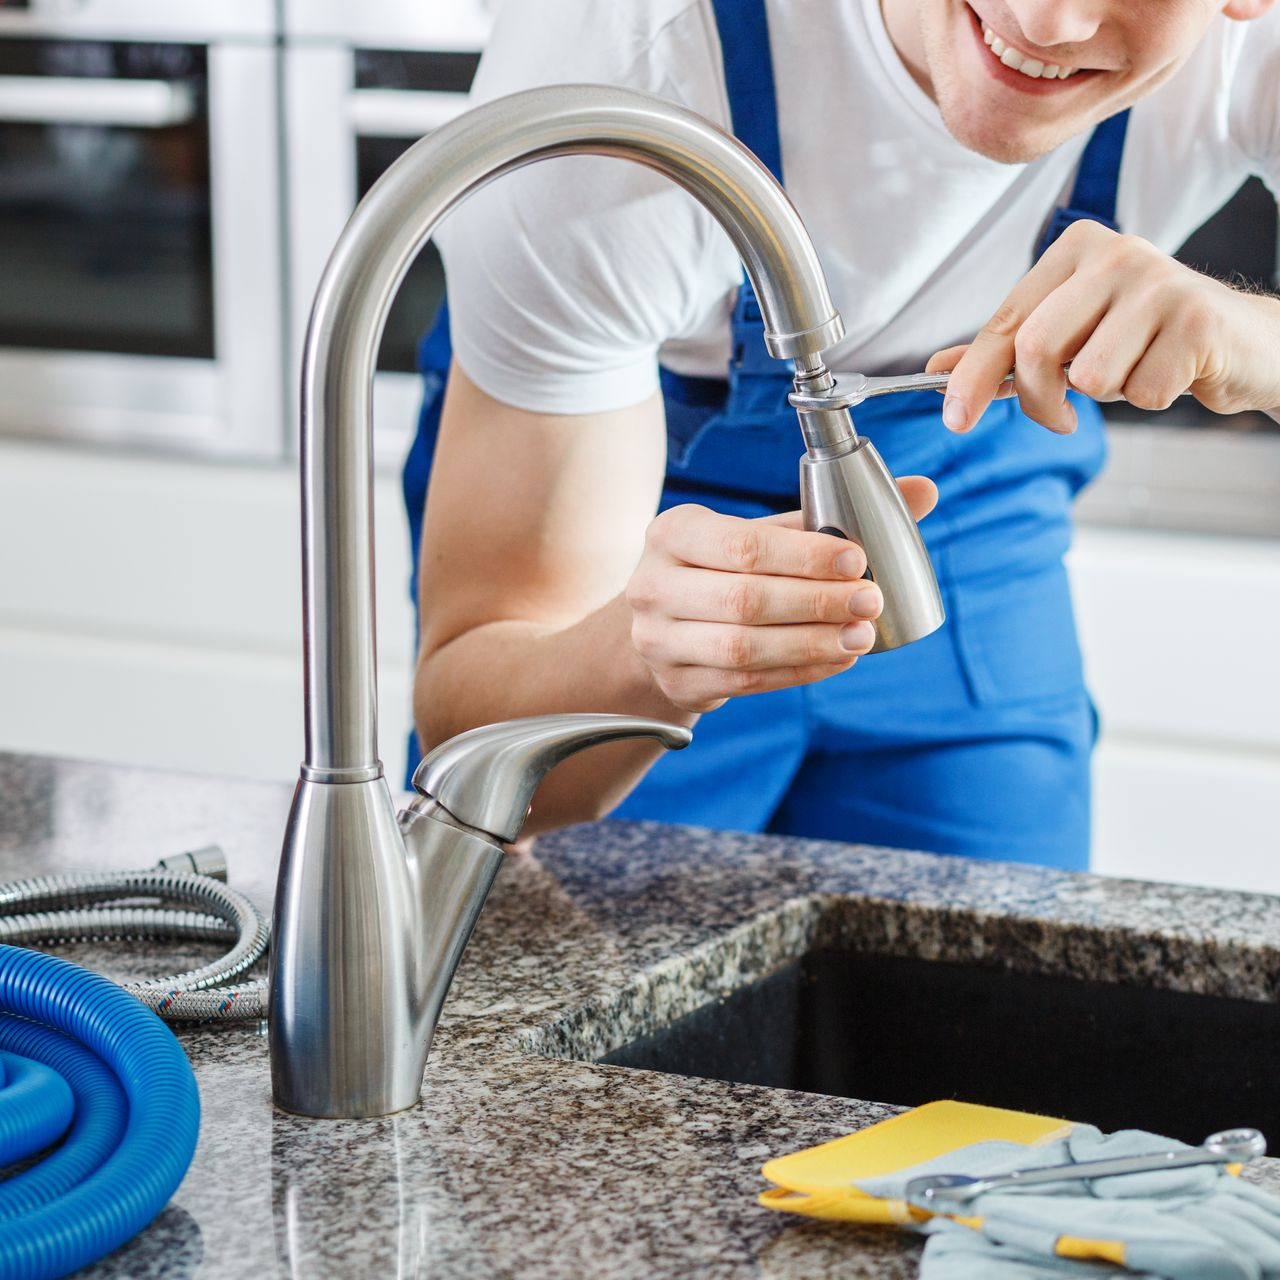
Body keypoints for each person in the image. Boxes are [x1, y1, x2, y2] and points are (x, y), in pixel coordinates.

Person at [402, 0, 1280, 868]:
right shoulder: (618, 69)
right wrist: (639, 656)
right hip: (632, 553)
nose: (1046, 23)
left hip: (964, 519)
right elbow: (486, 750)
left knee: (1013, 977)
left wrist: (1255, 344)